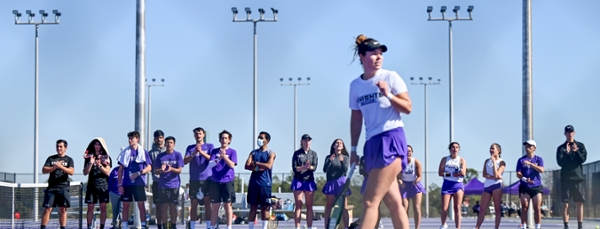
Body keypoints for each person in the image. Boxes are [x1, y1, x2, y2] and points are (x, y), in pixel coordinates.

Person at [348, 34, 412, 229]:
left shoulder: (390, 77)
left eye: (380, 54)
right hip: (372, 143)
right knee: (394, 204)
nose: (378, 57)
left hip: (391, 139)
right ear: (362, 57)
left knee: (369, 201)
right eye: (373, 54)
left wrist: (389, 94)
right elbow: (356, 118)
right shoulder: (355, 86)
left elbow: (408, 107)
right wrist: (352, 149)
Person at [117, 131, 152, 229]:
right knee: (126, 206)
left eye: (132, 138)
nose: (130, 140)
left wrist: (139, 173)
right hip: (127, 184)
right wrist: (120, 185)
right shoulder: (125, 152)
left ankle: (144, 225)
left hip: (139, 183)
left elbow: (149, 167)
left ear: (137, 139)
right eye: (129, 138)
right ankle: (125, 226)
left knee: (141, 205)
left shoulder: (143, 152)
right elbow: (120, 170)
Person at [556, 125, 587, 229]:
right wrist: (568, 154)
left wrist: (576, 151)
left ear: (574, 133)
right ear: (565, 134)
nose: (570, 134)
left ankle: (580, 225)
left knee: (579, 203)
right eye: (568, 132)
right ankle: (566, 226)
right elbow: (560, 163)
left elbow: (583, 159)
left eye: (571, 132)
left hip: (578, 179)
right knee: (565, 204)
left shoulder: (580, 146)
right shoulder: (561, 148)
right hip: (566, 179)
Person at [184, 127, 215, 229]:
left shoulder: (210, 146)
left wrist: (201, 152)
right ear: (194, 135)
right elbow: (184, 161)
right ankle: (192, 226)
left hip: (207, 179)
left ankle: (208, 226)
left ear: (203, 134)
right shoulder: (190, 148)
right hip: (194, 180)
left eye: (200, 133)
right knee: (194, 205)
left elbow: (212, 159)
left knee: (207, 204)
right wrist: (194, 153)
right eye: (196, 134)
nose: (198, 135)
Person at [244, 131, 276, 229]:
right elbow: (247, 165)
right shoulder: (253, 152)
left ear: (267, 140)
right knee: (253, 207)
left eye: (261, 138)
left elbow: (269, 165)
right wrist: (257, 168)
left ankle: (264, 227)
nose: (259, 139)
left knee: (265, 208)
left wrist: (256, 163)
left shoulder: (271, 153)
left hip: (265, 184)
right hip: (254, 183)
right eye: (259, 137)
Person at [41, 139, 75, 229]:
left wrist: (61, 166)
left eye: (61, 146)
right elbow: (44, 170)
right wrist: (54, 167)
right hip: (51, 188)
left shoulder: (69, 160)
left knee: (62, 209)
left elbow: (71, 171)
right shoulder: (51, 158)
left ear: (65, 148)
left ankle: (62, 227)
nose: (59, 148)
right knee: (48, 209)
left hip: (63, 188)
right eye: (57, 146)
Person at [153, 136, 184, 229]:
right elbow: (156, 171)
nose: (169, 144)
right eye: (167, 143)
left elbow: (179, 170)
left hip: (174, 184)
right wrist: (161, 170)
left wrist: (171, 169)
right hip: (162, 185)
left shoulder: (178, 155)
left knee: (173, 207)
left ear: (174, 144)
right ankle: (165, 226)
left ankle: (173, 226)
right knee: (163, 207)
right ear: (165, 144)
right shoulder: (160, 156)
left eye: (171, 143)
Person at [209, 130, 238, 229]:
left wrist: (224, 157)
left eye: (226, 138)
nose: (224, 140)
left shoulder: (232, 152)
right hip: (215, 181)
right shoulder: (214, 151)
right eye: (222, 138)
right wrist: (218, 158)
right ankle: (212, 226)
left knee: (227, 205)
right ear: (219, 140)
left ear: (229, 140)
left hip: (227, 181)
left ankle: (228, 227)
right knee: (215, 206)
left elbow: (232, 165)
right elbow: (210, 164)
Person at [473, 143, 506, 229]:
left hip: (497, 186)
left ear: (498, 151)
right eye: (490, 148)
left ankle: (496, 227)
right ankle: (477, 227)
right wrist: (493, 177)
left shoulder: (501, 162)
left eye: (493, 148)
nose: (491, 150)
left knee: (497, 209)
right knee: (482, 209)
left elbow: (497, 174)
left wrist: (494, 162)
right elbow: (484, 174)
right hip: (487, 186)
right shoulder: (486, 161)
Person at [83, 138, 113, 229]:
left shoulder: (106, 157)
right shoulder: (89, 157)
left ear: (102, 146)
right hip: (91, 185)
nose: (97, 146)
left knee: (103, 208)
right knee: (90, 207)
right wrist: (91, 164)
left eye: (99, 144)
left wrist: (99, 165)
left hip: (103, 185)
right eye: (95, 144)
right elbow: (85, 172)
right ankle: (89, 226)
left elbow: (107, 172)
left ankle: (102, 227)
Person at [291, 134, 319, 229]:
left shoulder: (313, 154)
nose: (307, 142)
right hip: (298, 180)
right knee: (298, 204)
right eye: (305, 140)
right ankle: (297, 227)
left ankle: (309, 226)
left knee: (309, 205)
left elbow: (314, 167)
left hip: (309, 181)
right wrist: (303, 167)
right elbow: (295, 168)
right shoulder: (297, 153)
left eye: (309, 140)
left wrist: (310, 167)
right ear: (301, 142)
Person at [322, 139, 351, 229]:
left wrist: (342, 161)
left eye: (340, 143)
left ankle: (346, 227)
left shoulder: (345, 157)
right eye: (337, 143)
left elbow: (345, 170)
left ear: (342, 146)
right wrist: (330, 161)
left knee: (344, 206)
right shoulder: (329, 157)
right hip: (331, 182)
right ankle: (327, 226)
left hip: (341, 182)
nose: (338, 144)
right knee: (329, 207)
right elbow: (324, 169)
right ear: (333, 146)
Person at [516, 140, 545, 229]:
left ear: (534, 148)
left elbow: (541, 170)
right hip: (525, 187)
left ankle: (537, 227)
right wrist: (525, 179)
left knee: (537, 208)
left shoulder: (538, 159)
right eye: (526, 146)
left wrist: (531, 164)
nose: (527, 148)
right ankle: (524, 226)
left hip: (536, 187)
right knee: (524, 207)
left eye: (530, 146)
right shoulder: (521, 160)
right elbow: (518, 174)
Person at [437, 142, 466, 229]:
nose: (455, 149)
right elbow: (440, 173)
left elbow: (463, 173)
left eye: (457, 147)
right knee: (444, 208)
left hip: (458, 185)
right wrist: (450, 174)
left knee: (457, 208)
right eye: (453, 147)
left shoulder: (461, 160)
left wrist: (460, 173)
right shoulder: (445, 159)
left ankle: (458, 227)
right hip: (447, 184)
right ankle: (443, 224)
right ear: (450, 149)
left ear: (459, 149)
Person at [398, 145, 425, 229]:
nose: (408, 152)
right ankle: (405, 227)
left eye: (409, 151)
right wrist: (401, 183)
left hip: (415, 186)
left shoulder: (416, 162)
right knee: (404, 207)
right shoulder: (400, 163)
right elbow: (398, 177)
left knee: (417, 208)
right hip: (404, 186)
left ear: (412, 152)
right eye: (406, 151)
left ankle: (417, 227)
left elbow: (420, 176)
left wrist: (416, 181)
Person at [148, 130, 166, 229]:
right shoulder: (150, 153)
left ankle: (167, 225)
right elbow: (149, 167)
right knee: (158, 206)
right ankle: (159, 226)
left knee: (166, 207)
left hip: (168, 183)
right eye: (157, 138)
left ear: (163, 138)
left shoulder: (167, 151)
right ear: (154, 139)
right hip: (157, 183)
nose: (159, 140)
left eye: (160, 137)